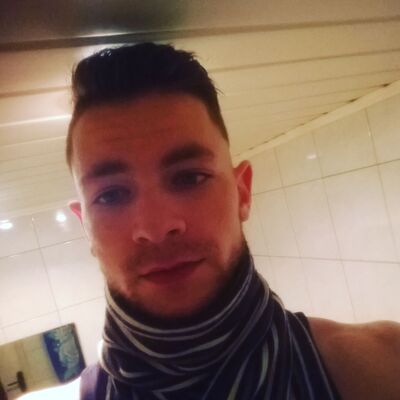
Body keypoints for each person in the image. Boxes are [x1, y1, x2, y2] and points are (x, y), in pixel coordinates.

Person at [20, 43, 400, 400]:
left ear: (242, 193)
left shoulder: (385, 366)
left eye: (190, 177)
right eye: (110, 195)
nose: (155, 227)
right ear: (85, 226)